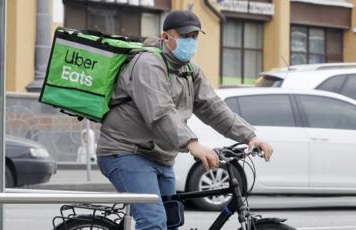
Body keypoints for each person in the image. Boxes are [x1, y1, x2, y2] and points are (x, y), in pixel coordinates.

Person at [96, 10, 273, 230]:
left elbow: (213, 107)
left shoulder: (190, 70)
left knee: (172, 222)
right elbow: (160, 113)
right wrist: (192, 143)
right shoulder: (147, 64)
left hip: (161, 156)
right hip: (125, 152)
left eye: (195, 36)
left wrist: (250, 136)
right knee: (153, 221)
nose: (191, 41)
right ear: (166, 37)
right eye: (185, 36)